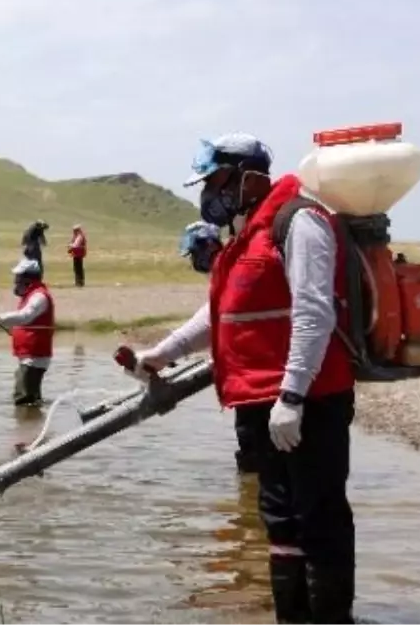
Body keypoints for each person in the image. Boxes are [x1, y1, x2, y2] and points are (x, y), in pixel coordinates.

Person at [135, 133, 357, 624]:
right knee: (279, 522)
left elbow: (315, 314)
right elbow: (221, 314)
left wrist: (294, 394)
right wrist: (162, 353)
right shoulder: (247, 235)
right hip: (262, 404)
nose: (209, 193)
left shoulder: (299, 222)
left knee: (319, 520)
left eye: (216, 181)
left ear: (250, 177)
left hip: (310, 401)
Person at [178, 221, 260, 476]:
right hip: (248, 377)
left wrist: (161, 354)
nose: (194, 261)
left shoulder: (232, 271)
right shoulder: (226, 271)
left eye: (194, 254)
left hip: (257, 381)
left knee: (257, 455)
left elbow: (210, 322)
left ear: (209, 246)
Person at [0, 257, 54, 407]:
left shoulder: (39, 296)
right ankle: (31, 428)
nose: (15, 281)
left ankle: (28, 427)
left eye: (18, 277)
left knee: (24, 402)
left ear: (28, 279)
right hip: (29, 357)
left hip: (34, 358)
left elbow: (25, 316)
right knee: (30, 402)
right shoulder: (31, 295)